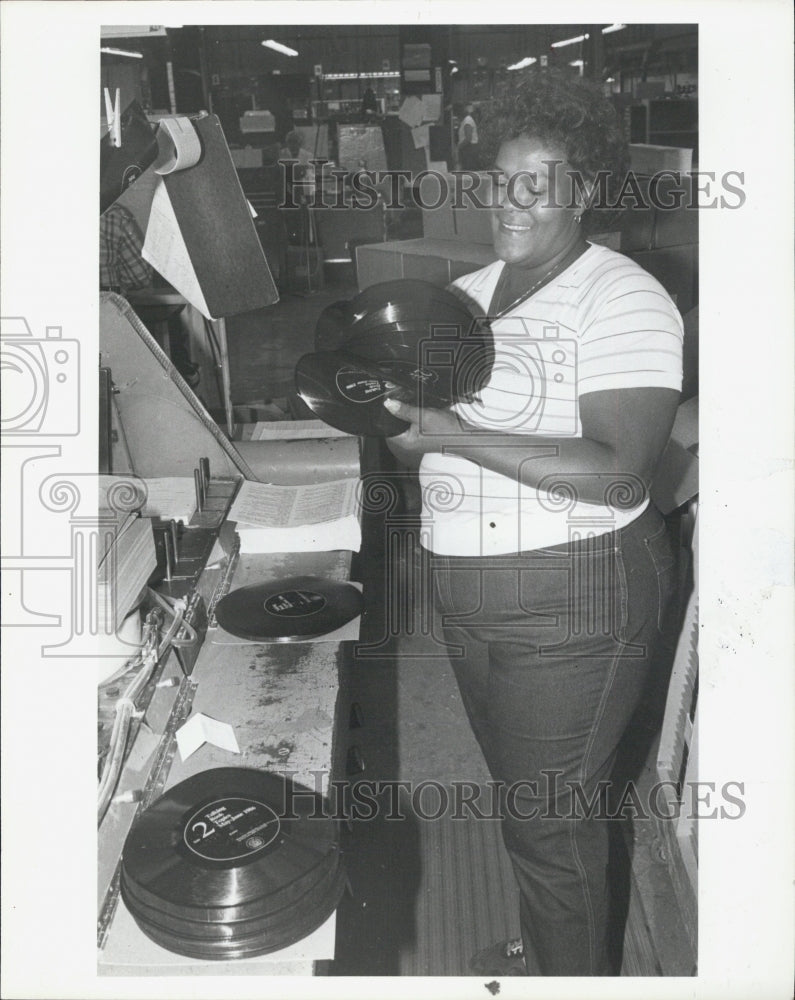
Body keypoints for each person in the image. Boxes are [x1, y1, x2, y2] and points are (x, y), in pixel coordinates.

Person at [384, 70, 683, 976]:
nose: (508, 201)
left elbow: (617, 470)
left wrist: (455, 434)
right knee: (525, 801)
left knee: (550, 819)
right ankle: (552, 944)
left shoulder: (620, 296)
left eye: (536, 182)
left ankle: (571, 974)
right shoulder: (469, 293)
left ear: (580, 191)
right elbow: (416, 449)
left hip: (575, 592)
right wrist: (396, 419)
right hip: (468, 587)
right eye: (496, 180)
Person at [457, 102, 480, 169]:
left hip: (469, 149)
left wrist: (458, 147)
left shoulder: (467, 120)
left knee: (468, 171)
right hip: (469, 149)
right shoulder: (466, 120)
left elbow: (468, 138)